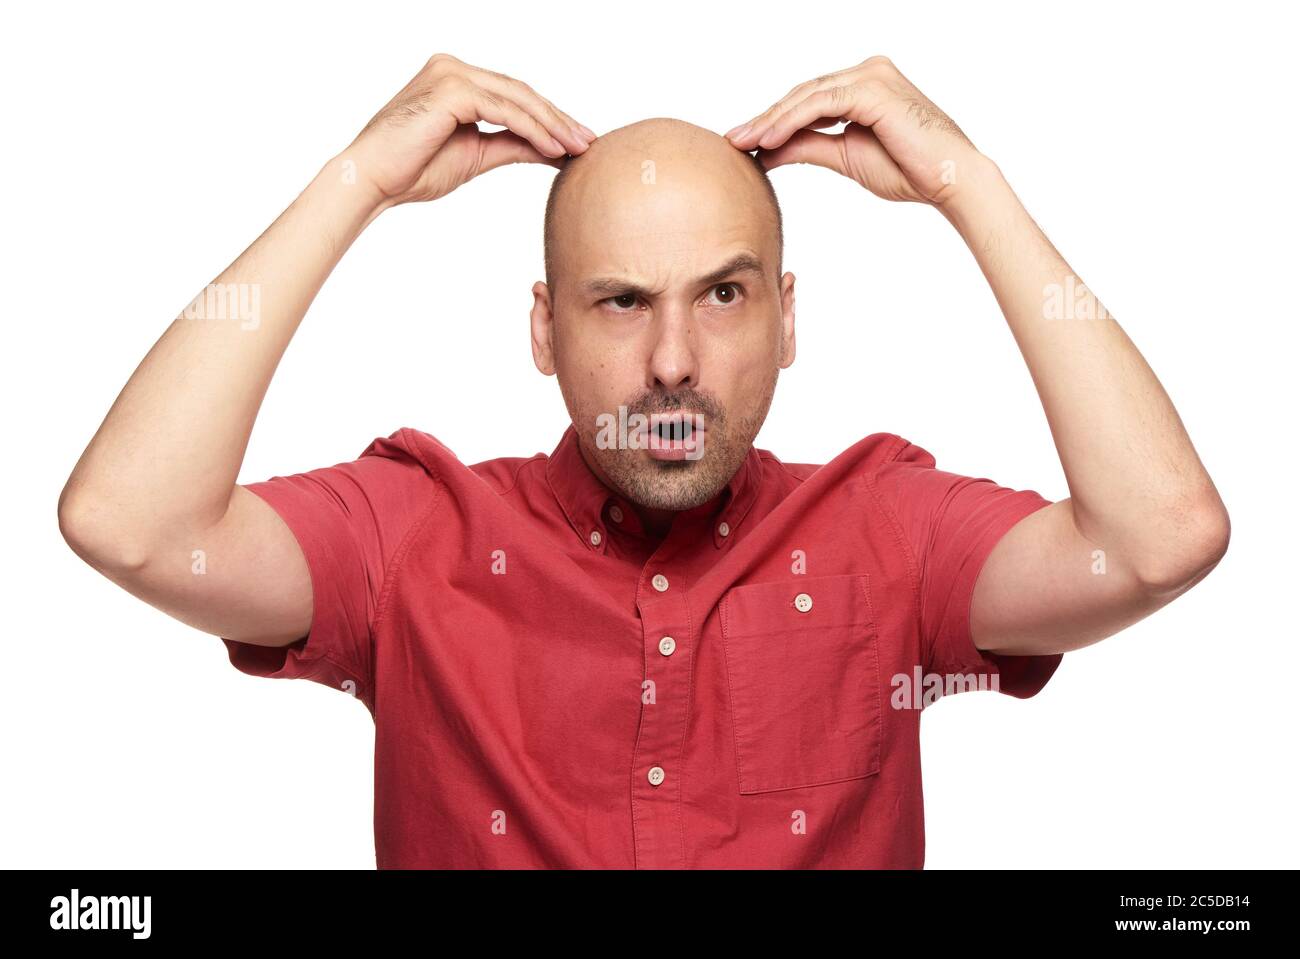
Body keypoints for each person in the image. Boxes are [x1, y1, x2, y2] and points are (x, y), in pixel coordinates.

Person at [58, 53, 1229, 868]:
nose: (672, 360)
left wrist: (965, 185)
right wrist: (355, 181)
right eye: (619, 302)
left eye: (721, 294)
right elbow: (130, 519)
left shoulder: (886, 527)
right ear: (542, 330)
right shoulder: (414, 533)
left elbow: (1160, 537)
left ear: (784, 318)